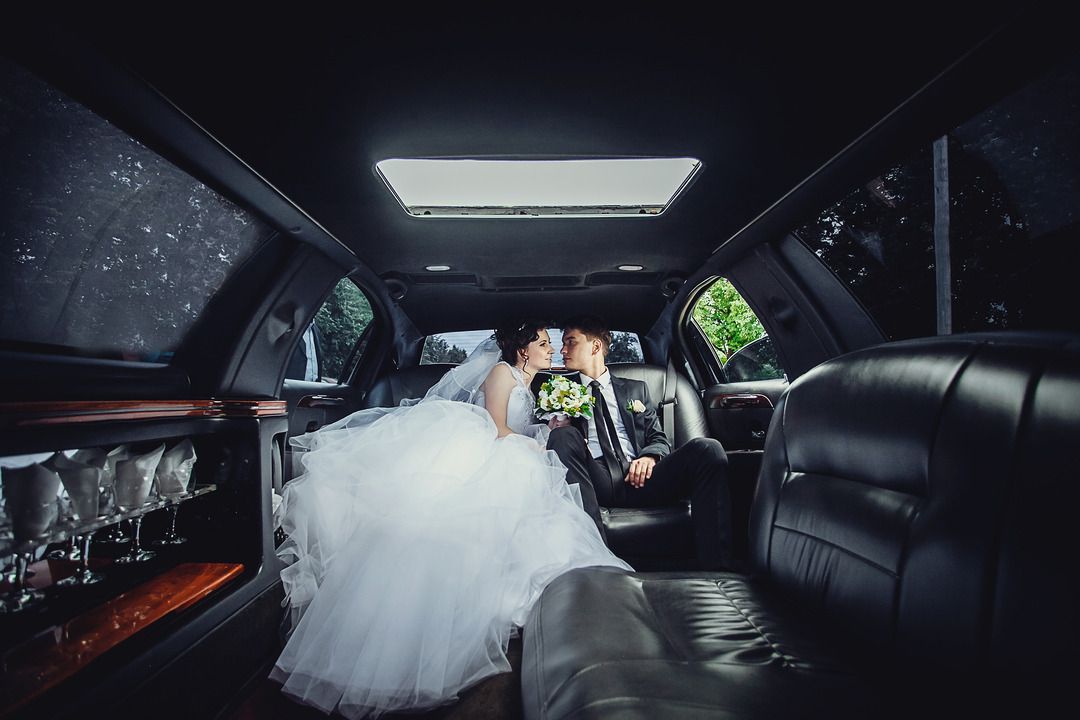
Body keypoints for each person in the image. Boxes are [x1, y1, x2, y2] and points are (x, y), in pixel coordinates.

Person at [270, 321, 630, 719]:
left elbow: (524, 428)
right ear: (523, 350)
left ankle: (572, 600)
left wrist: (550, 429)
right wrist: (534, 441)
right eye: (544, 343)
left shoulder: (534, 384)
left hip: (519, 452)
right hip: (497, 451)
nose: (552, 349)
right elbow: (497, 428)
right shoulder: (500, 373)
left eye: (555, 343)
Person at [545, 315, 735, 570]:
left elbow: (658, 437)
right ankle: (596, 561)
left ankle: (717, 568)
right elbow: (556, 444)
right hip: (593, 477)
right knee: (563, 436)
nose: (562, 350)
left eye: (570, 342)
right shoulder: (557, 391)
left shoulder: (636, 389)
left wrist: (650, 457)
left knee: (708, 449)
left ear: (595, 346)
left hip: (641, 477)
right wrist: (556, 427)